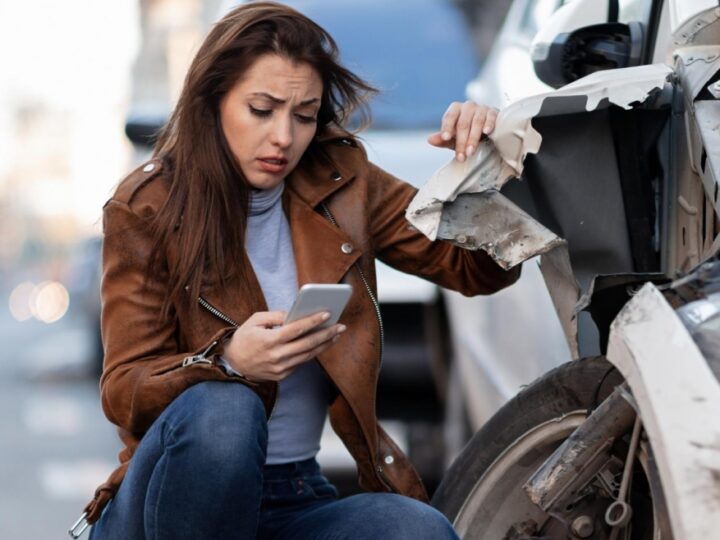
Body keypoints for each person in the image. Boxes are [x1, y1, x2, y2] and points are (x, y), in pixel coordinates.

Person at [81, 2, 519, 538]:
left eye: (304, 115)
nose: (284, 138)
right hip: (169, 502)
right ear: (213, 102)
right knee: (227, 413)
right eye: (261, 110)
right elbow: (123, 389)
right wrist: (228, 361)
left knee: (417, 531)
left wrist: (483, 170)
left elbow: (477, 271)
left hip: (294, 497)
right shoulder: (146, 206)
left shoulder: (341, 179)